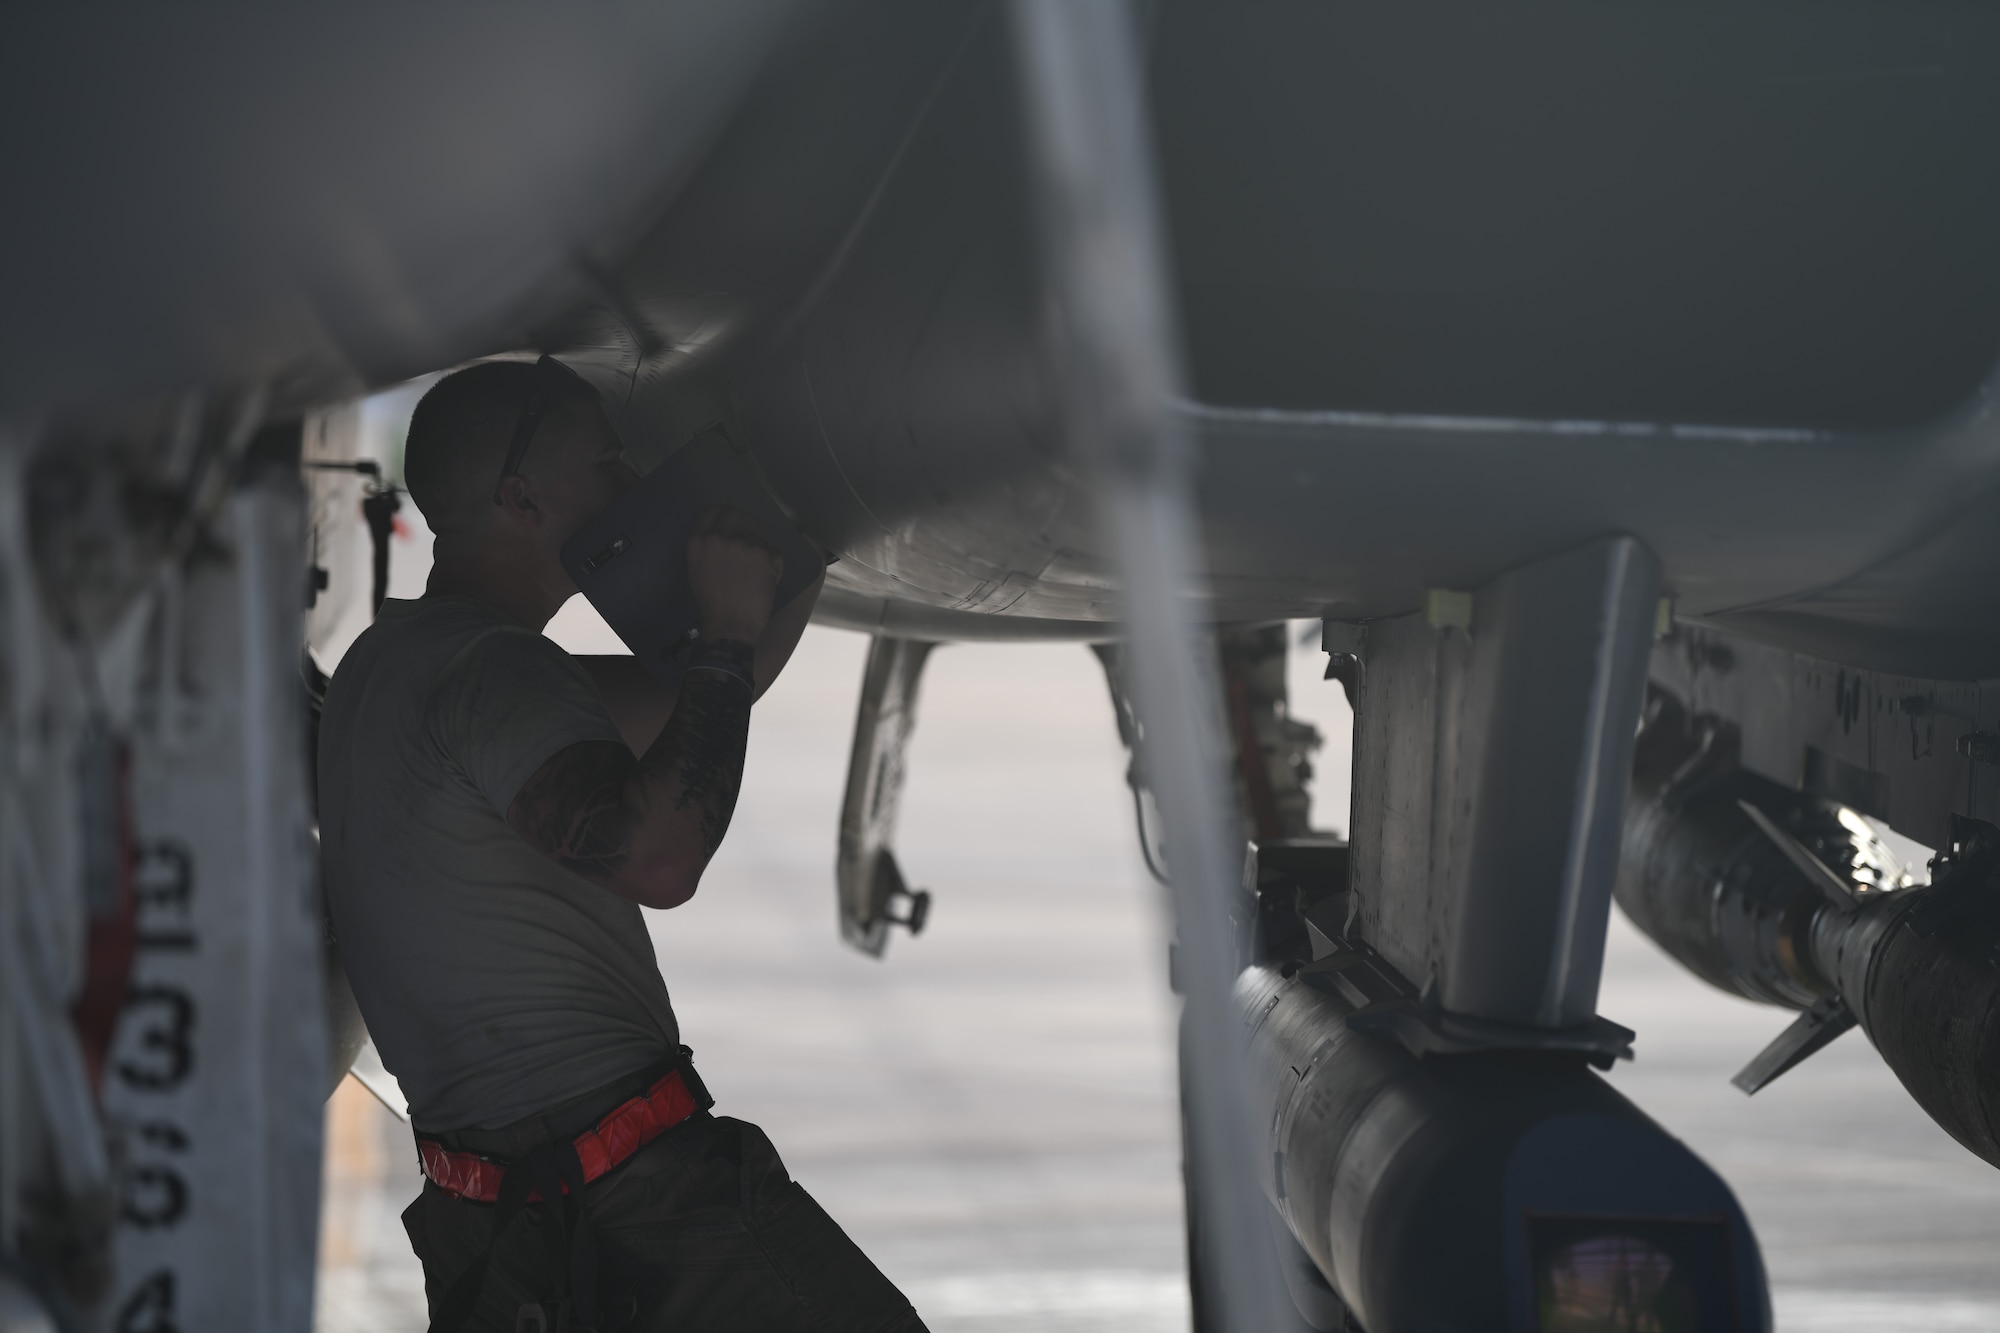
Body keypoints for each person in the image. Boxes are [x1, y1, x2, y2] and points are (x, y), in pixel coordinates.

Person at [317, 357, 925, 1333]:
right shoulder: (494, 673)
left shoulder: (401, 664)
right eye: (604, 461)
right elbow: (660, 856)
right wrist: (724, 622)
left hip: (502, 1225)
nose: (627, 483)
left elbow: (691, 714)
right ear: (522, 497)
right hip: (631, 1206)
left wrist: (785, 564)